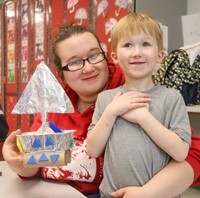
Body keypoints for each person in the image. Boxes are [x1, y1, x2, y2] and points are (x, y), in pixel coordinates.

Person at [2, 24, 200, 198]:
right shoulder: (54, 108)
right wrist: (19, 162)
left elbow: (192, 154)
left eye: (94, 55)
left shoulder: (136, 90)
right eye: (74, 62)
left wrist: (149, 193)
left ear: (107, 56)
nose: (88, 68)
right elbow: (37, 166)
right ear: (61, 74)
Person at [86, 13, 191, 198]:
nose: (136, 52)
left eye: (145, 44)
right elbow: (93, 150)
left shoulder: (171, 98)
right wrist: (111, 112)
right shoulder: (106, 99)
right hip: (111, 195)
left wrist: (143, 118)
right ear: (115, 56)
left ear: (160, 55)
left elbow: (181, 153)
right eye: (128, 45)